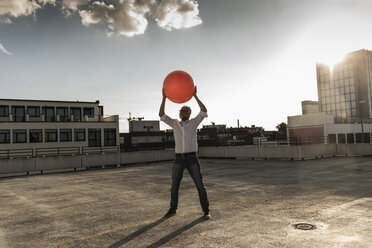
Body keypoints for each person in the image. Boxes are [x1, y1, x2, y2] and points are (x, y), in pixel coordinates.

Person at [159, 86, 210, 219]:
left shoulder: (194, 122)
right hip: (178, 160)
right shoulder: (174, 123)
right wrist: (164, 98)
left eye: (185, 111)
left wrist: (195, 96)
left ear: (189, 113)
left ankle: (206, 211)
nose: (183, 112)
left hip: (192, 158)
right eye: (181, 111)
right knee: (174, 186)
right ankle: (172, 209)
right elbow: (161, 115)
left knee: (200, 186)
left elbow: (204, 110)